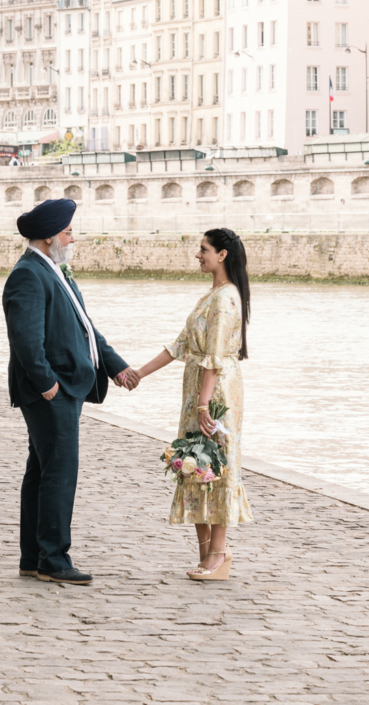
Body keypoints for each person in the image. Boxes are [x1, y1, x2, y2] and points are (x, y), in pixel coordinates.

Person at [2, 197, 138, 585]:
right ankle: (54, 560)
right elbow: (26, 339)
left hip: (64, 387)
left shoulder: (54, 270)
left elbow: (85, 327)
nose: (73, 238)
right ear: (48, 237)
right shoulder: (28, 274)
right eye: (68, 232)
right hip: (51, 391)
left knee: (42, 472)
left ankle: (33, 556)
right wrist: (47, 386)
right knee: (60, 474)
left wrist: (116, 366)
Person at [130, 228, 253, 580]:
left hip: (215, 394)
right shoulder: (210, 295)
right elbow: (179, 345)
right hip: (197, 390)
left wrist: (202, 406)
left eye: (203, 249)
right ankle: (206, 553)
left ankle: (218, 553)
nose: (197, 255)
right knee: (195, 464)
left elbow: (214, 357)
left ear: (222, 255)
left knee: (216, 465)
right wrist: (138, 374)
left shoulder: (227, 298)